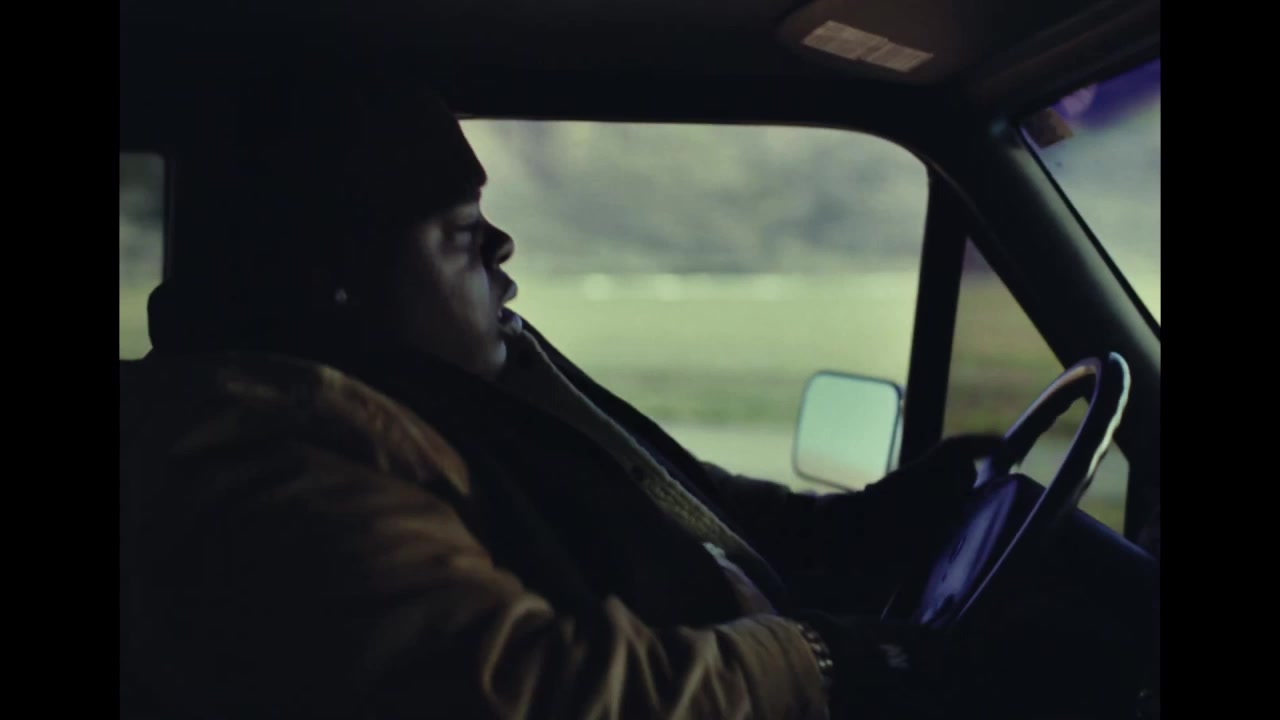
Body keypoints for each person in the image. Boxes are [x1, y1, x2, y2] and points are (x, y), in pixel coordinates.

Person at [119, 71, 1003, 719]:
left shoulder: (445, 392)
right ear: (335, 279)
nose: (502, 246)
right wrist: (821, 659)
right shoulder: (262, 455)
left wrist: (874, 520)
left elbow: (673, 499)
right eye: (460, 231)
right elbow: (528, 693)